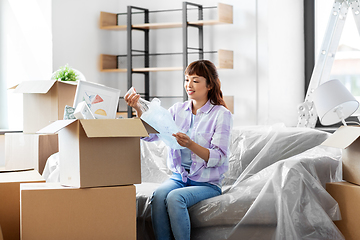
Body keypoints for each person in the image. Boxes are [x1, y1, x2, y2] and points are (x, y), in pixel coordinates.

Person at [125, 60, 233, 240]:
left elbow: (219, 156)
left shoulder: (221, 114)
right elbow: (152, 135)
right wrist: (138, 109)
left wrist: (190, 144)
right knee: (158, 195)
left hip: (207, 183)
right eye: (186, 79)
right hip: (179, 177)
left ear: (209, 85)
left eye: (196, 80)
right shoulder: (177, 110)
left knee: (175, 198)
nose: (189, 85)